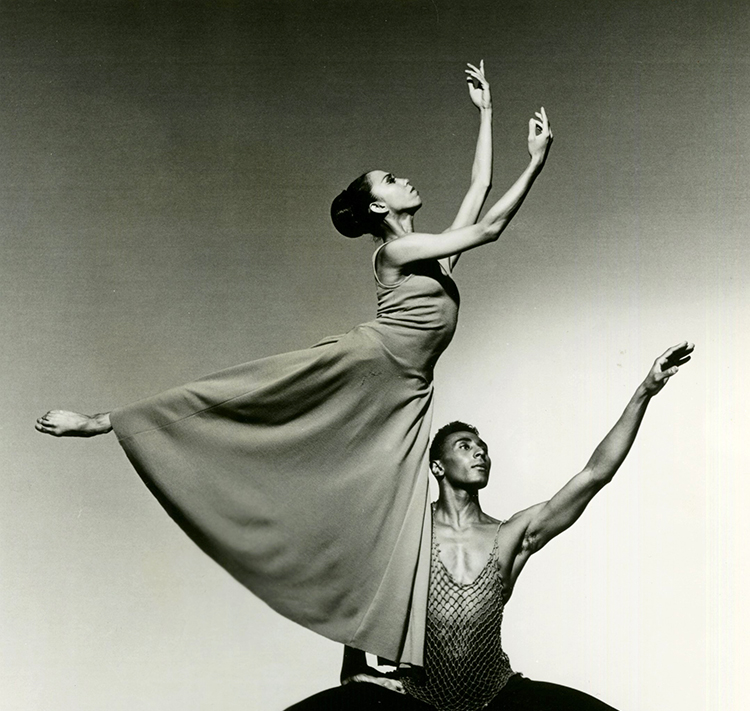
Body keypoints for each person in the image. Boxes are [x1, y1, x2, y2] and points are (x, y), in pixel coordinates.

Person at [35, 63, 553, 667]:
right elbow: (488, 228)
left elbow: (479, 195)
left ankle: (363, 654)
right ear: (379, 207)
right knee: (245, 394)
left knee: (379, 508)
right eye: (390, 178)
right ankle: (104, 421)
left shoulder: (430, 261)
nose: (404, 178)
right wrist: (536, 163)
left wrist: (486, 113)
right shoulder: (398, 250)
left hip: (407, 391)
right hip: (369, 365)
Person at [248, 341, 693, 711]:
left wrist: (643, 392)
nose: (479, 453)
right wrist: (355, 668)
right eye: (464, 446)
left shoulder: (514, 535)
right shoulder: (405, 533)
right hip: (413, 693)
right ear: (438, 466)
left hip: (493, 692)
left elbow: (594, 474)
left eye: (482, 446)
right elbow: (357, 586)